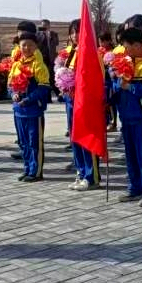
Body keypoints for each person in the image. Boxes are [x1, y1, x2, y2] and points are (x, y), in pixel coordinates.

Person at [112, 28, 142, 207]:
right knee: (130, 155)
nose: (125, 51)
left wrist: (130, 87)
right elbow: (118, 88)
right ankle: (134, 187)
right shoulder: (125, 62)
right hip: (126, 116)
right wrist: (115, 84)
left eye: (127, 47)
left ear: (137, 45)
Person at [61, 19, 101, 191]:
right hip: (71, 102)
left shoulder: (92, 53)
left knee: (87, 138)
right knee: (75, 137)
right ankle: (81, 171)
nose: (75, 35)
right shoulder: (70, 53)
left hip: (85, 103)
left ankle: (91, 176)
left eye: (78, 31)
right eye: (72, 32)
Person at [9, 33, 50, 182]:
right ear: (19, 47)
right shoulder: (16, 64)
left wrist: (28, 99)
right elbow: (10, 84)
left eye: (30, 45)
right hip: (19, 111)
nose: (26, 48)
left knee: (35, 143)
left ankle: (36, 172)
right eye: (23, 45)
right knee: (23, 142)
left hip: (33, 111)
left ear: (36, 46)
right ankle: (27, 168)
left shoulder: (38, 65)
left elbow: (44, 87)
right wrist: (13, 93)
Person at [39, 19, 59, 98]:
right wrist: (42, 35)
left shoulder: (54, 34)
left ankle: (59, 95)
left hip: (52, 58)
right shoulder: (39, 34)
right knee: (45, 78)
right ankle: (48, 97)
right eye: (42, 26)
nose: (44, 27)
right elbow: (38, 43)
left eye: (45, 25)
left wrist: (50, 36)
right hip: (43, 59)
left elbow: (56, 43)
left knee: (53, 77)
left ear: (49, 26)